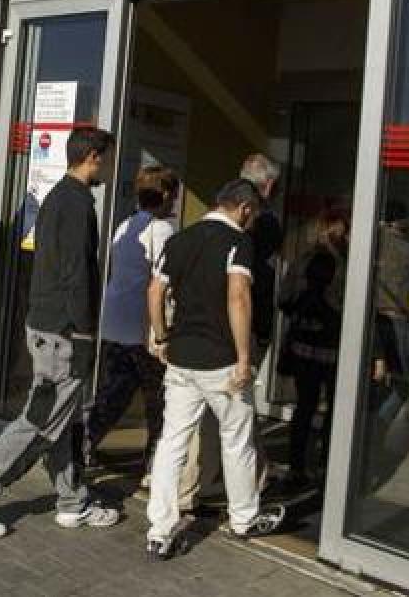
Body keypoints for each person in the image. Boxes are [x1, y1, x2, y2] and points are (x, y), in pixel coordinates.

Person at [0, 127, 121, 539]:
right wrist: (84, 334)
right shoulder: (76, 204)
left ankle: (72, 502)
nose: (113, 167)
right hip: (63, 332)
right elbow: (76, 275)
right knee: (42, 420)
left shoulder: (59, 197)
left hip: (50, 327)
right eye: (110, 158)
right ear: (94, 157)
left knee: (63, 419)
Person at [144, 179, 286, 560]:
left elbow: (155, 291)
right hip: (221, 359)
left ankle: (160, 529)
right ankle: (243, 519)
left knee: (172, 441)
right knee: (236, 439)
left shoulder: (180, 239)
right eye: (252, 214)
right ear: (244, 208)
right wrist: (243, 357)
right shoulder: (238, 242)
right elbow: (238, 297)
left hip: (181, 357)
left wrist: (162, 337)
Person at [179, 153, 282, 513]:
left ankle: (198, 484)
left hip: (202, 325)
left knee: (206, 414)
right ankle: (240, 491)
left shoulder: (214, 216)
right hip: (237, 328)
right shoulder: (258, 224)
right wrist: (246, 350)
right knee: (234, 413)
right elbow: (242, 291)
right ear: (268, 186)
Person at [84, 165, 180, 487]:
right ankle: (154, 465)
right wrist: (163, 330)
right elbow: (161, 284)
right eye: (173, 195)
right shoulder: (161, 231)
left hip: (116, 322)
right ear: (164, 194)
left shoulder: (125, 225)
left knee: (115, 392)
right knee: (158, 401)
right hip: (143, 327)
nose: (175, 202)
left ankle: (83, 446)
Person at [278, 213, 349, 488]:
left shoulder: (302, 259)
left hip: (303, 345)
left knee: (305, 407)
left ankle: (296, 466)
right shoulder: (345, 264)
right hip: (333, 346)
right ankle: (325, 465)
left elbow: (284, 299)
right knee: (334, 408)